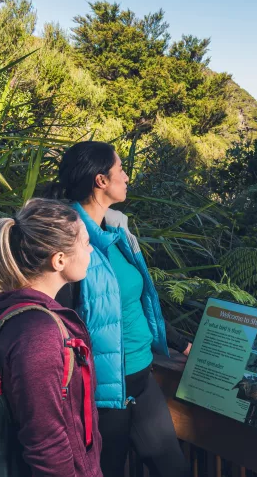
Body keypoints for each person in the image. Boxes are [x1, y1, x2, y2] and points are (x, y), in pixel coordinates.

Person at [47, 141, 191, 477]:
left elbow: (140, 302)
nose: (126, 177)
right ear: (101, 181)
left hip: (143, 377)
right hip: (102, 393)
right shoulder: (71, 244)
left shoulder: (118, 230)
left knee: (174, 470)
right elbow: (59, 322)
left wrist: (182, 343)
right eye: (120, 169)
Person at [0, 198, 102, 477]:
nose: (91, 249)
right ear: (59, 260)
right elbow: (46, 443)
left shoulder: (3, 310)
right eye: (84, 242)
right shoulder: (38, 335)